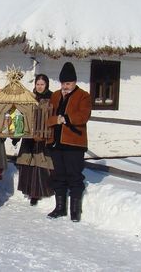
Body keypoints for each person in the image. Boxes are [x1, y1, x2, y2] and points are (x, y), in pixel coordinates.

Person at [46, 62, 91, 221]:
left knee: (74, 176)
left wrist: (65, 119)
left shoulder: (83, 96)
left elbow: (83, 116)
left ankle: (75, 211)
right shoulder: (56, 95)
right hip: (56, 143)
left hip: (74, 143)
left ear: (75, 82)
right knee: (58, 176)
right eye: (63, 83)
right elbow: (47, 116)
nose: (65, 86)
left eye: (68, 83)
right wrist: (55, 120)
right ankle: (60, 208)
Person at [15, 74, 54, 205]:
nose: (40, 87)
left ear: (46, 85)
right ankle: (29, 190)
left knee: (40, 163)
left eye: (42, 84)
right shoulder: (30, 97)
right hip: (29, 135)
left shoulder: (51, 98)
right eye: (38, 84)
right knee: (28, 163)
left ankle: (38, 193)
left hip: (43, 136)